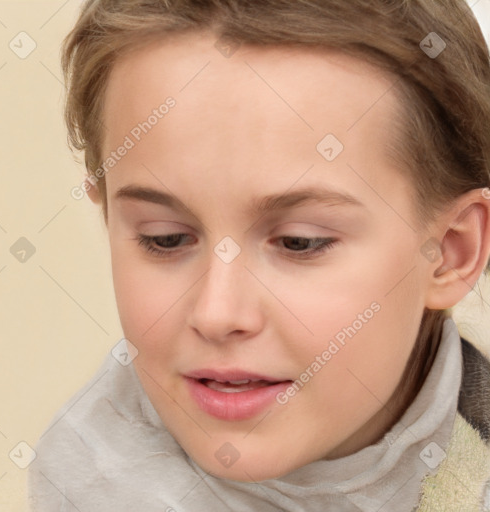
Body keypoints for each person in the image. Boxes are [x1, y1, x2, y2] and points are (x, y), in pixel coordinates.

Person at [28, 1, 490, 510]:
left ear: (451, 252)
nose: (217, 313)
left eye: (300, 242)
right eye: (165, 238)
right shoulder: (84, 478)